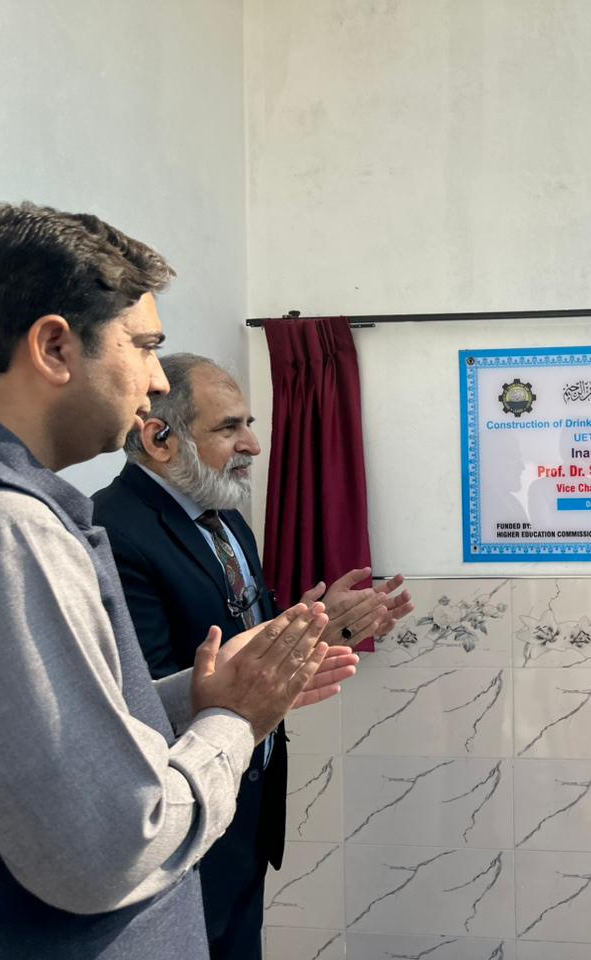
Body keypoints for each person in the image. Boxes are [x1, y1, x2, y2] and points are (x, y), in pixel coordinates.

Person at [0, 200, 356, 959]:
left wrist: (202, 692)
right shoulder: (16, 530)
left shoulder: (40, 516)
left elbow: (71, 729)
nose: (155, 380)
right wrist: (233, 720)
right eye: (145, 346)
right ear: (55, 346)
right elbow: (111, 845)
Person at [92, 352, 413, 960]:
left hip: (244, 811)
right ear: (159, 437)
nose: (253, 445)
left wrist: (321, 631)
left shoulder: (227, 520)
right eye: (229, 427)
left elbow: (246, 649)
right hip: (182, 817)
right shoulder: (114, 529)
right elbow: (147, 696)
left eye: (251, 424)